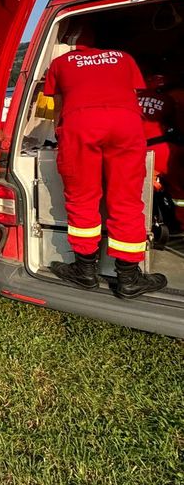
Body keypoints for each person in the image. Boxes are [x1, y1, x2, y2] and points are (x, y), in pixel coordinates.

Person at [43, 24, 166, 298]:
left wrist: (60, 135)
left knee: (82, 197)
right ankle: (129, 279)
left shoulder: (60, 62)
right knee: (127, 198)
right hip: (125, 124)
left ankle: (84, 271)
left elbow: (57, 106)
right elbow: (134, 96)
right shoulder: (123, 57)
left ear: (71, 43)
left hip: (80, 124)